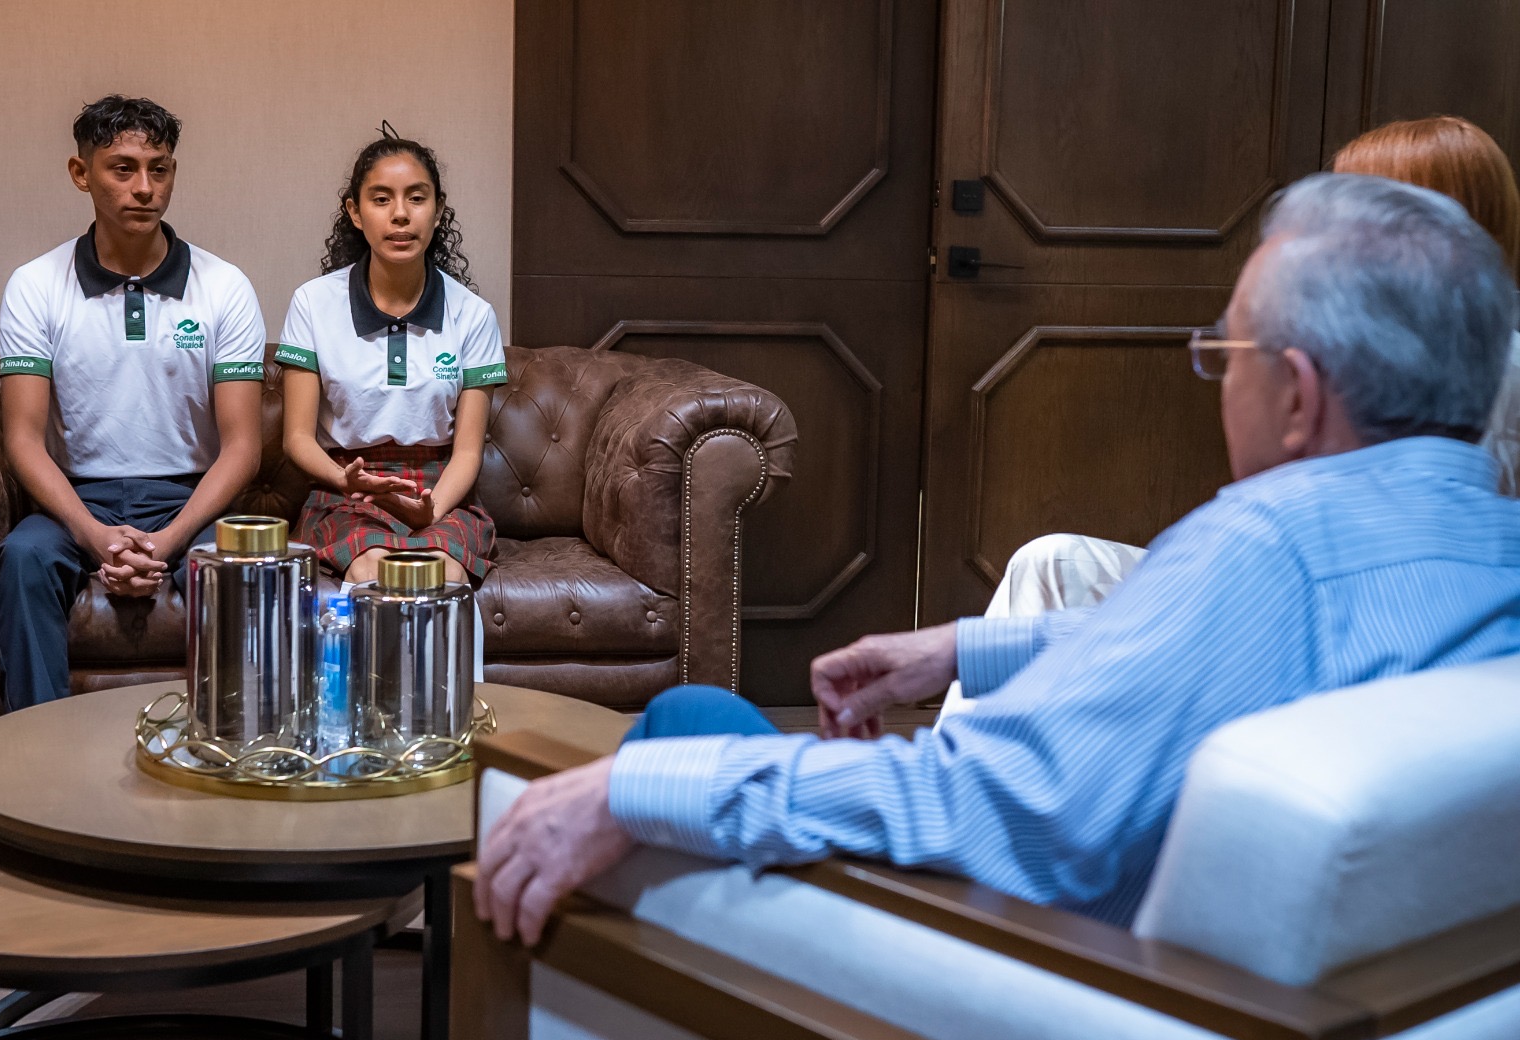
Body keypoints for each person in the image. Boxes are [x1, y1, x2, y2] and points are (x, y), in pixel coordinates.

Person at [474, 172, 1520, 946]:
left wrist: (640, 792)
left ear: (1298, 396)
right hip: (1330, 989)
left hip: (1022, 964)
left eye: (1226, 352)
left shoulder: (1265, 549)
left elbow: (971, 800)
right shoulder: (1485, 545)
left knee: (681, 734)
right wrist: (960, 651)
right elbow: (1219, 657)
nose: (1214, 380)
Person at [983, 115, 1520, 623]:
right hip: (1282, 587)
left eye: (1342, 210)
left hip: (1330, 617)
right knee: (1049, 563)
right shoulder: (1377, 347)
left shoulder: (1455, 372)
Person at [0, 95, 265, 712]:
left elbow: (243, 447)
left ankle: (235, 748)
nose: (145, 188)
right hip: (75, 499)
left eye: (159, 169)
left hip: (189, 498)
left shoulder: (225, 287)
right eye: (123, 168)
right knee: (23, 558)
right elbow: (23, 440)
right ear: (80, 173)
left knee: (241, 566)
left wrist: (168, 541)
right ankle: (36, 750)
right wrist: (94, 536)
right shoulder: (35, 286)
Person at [275, 131, 504, 590]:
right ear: (355, 212)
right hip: (347, 488)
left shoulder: (473, 314)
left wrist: (431, 509)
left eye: (416, 198)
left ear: (438, 210)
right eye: (381, 199)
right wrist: (347, 480)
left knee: (442, 573)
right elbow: (296, 438)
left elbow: (467, 452)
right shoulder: (313, 303)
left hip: (438, 489)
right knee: (373, 569)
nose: (400, 213)